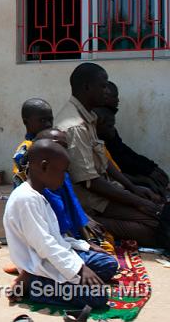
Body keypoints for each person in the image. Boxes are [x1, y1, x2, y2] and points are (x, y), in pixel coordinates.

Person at [56, 63, 164, 247]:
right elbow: (90, 182)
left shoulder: (88, 117)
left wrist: (132, 188)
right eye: (103, 85)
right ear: (87, 87)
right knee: (156, 227)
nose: (107, 91)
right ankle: (81, 224)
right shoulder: (75, 126)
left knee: (157, 214)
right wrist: (137, 200)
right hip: (91, 202)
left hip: (102, 194)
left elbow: (103, 160)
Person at [4, 138, 119, 309]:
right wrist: (79, 270)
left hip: (53, 259)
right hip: (39, 265)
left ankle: (57, 280)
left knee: (108, 263)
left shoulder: (39, 195)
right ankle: (34, 286)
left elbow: (55, 236)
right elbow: (45, 245)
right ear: (44, 167)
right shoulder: (26, 199)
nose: (65, 177)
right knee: (98, 297)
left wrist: (84, 246)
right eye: (62, 171)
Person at [12, 99, 90, 239]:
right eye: (42, 120)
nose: (47, 124)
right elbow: (49, 199)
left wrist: (82, 223)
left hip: (65, 217)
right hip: (44, 219)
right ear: (26, 122)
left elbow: (69, 195)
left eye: (50, 119)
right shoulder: (26, 153)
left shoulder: (52, 143)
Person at [100, 82, 169, 195]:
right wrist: (146, 173)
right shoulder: (101, 125)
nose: (118, 100)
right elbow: (117, 160)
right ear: (105, 97)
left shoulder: (106, 121)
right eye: (115, 96)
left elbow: (122, 150)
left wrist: (150, 167)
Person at [93, 106, 165, 199]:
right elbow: (113, 176)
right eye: (110, 126)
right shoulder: (95, 145)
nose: (113, 130)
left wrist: (150, 169)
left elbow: (118, 168)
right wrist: (141, 182)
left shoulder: (103, 144)